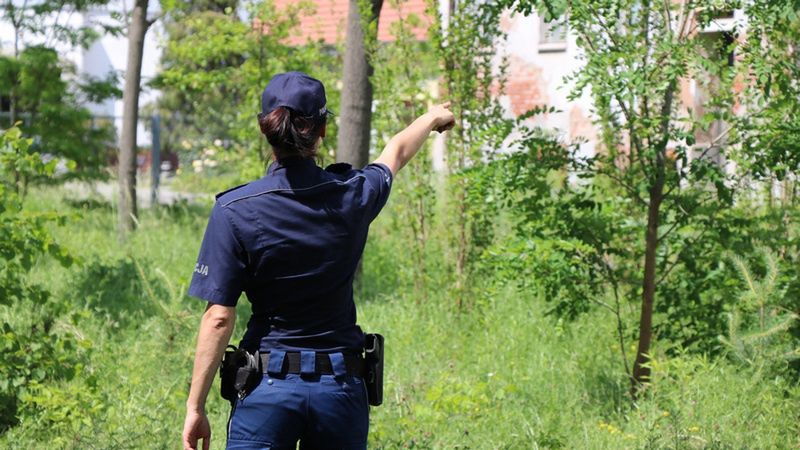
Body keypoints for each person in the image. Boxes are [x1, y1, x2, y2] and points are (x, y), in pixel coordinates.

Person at [182, 71, 455, 450]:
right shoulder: (353, 194)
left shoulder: (234, 210)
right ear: (322, 130)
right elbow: (394, 153)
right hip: (339, 392)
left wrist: (195, 406)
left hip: (266, 392)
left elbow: (219, 317)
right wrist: (430, 118)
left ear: (266, 130)